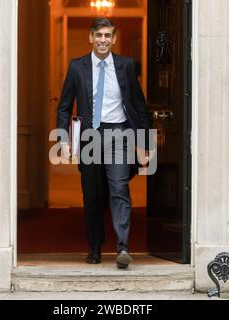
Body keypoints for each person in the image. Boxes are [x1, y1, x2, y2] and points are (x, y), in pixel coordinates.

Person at [56, 18, 151, 269]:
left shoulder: (126, 65)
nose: (103, 40)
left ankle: (123, 247)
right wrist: (64, 140)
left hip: (119, 134)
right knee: (93, 195)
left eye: (108, 36)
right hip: (90, 137)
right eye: (99, 35)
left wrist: (143, 144)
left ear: (114, 39)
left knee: (120, 189)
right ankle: (95, 247)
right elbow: (64, 107)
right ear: (91, 37)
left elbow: (140, 107)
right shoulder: (77, 67)